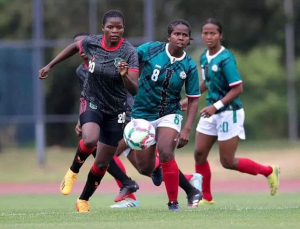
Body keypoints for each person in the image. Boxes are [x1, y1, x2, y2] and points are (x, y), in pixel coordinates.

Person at [39, 10, 140, 212]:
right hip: (92, 100)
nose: (114, 30)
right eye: (110, 27)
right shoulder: (92, 42)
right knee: (90, 140)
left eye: (118, 27)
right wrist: (50, 65)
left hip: (116, 110)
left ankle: (83, 200)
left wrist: (124, 76)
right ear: (103, 28)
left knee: (102, 162)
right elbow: (73, 47)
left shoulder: (129, 52)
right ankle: (72, 171)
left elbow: (134, 89)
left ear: (123, 29)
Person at [184, 18, 280, 206]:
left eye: (213, 33)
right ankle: (206, 198)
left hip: (229, 112)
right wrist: (188, 100)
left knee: (227, 161)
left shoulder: (226, 59)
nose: (209, 36)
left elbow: (237, 89)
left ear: (221, 35)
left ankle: (269, 171)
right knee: (199, 153)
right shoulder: (204, 56)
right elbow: (207, 83)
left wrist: (215, 106)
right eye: (205, 33)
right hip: (211, 112)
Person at [120, 19, 203, 211]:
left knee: (166, 152)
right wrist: (124, 71)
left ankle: (173, 203)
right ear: (169, 36)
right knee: (145, 168)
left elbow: (193, 99)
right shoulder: (150, 50)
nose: (181, 37)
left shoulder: (189, 66)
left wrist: (187, 129)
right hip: (142, 114)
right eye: (177, 34)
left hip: (169, 114)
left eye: (185, 35)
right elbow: (129, 56)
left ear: (188, 39)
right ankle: (179, 182)